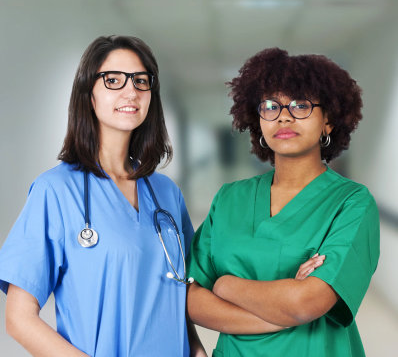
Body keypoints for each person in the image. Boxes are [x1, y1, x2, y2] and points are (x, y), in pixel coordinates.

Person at [0, 35, 206, 357]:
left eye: (141, 81)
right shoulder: (55, 191)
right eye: (113, 80)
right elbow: (19, 319)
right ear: (89, 96)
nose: (131, 91)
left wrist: (197, 351)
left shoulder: (167, 193)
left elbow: (180, 293)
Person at [187, 48, 380, 356]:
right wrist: (281, 313)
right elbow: (192, 300)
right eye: (270, 106)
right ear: (258, 120)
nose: (285, 116)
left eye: (301, 104)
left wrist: (225, 286)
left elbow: (308, 302)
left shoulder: (352, 203)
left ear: (328, 121)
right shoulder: (229, 198)